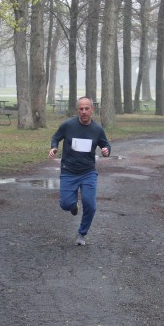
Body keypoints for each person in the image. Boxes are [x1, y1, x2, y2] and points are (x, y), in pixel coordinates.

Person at [49, 97, 111, 246]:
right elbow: (56, 137)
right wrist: (54, 147)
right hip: (69, 171)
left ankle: (82, 233)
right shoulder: (68, 125)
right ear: (78, 110)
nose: (84, 112)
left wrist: (106, 150)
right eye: (81, 109)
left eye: (86, 109)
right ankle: (73, 205)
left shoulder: (97, 129)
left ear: (92, 110)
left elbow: (106, 145)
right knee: (65, 205)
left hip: (88, 172)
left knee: (90, 205)